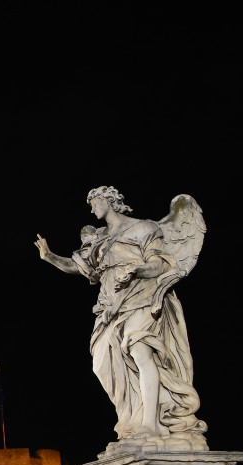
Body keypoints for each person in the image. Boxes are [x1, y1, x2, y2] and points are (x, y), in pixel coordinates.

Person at [35, 187, 207, 451]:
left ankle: (151, 423)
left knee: (140, 351)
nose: (92, 209)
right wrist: (49, 257)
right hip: (110, 305)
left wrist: (137, 270)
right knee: (103, 362)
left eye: (94, 203)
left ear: (109, 201)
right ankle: (133, 421)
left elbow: (160, 264)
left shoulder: (144, 228)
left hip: (142, 296)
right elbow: (80, 267)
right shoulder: (99, 237)